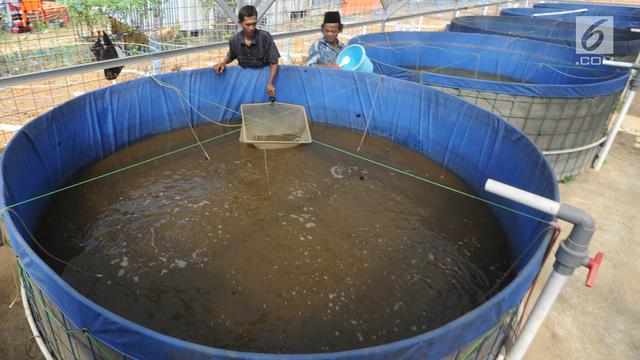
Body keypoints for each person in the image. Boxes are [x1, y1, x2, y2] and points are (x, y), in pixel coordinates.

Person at [213, 5, 280, 98]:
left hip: (263, 80)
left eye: (254, 23)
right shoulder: (234, 40)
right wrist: (223, 63)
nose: (252, 27)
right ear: (240, 23)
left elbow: (274, 62)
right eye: (248, 24)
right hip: (245, 84)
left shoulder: (265, 37)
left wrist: (270, 83)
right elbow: (232, 54)